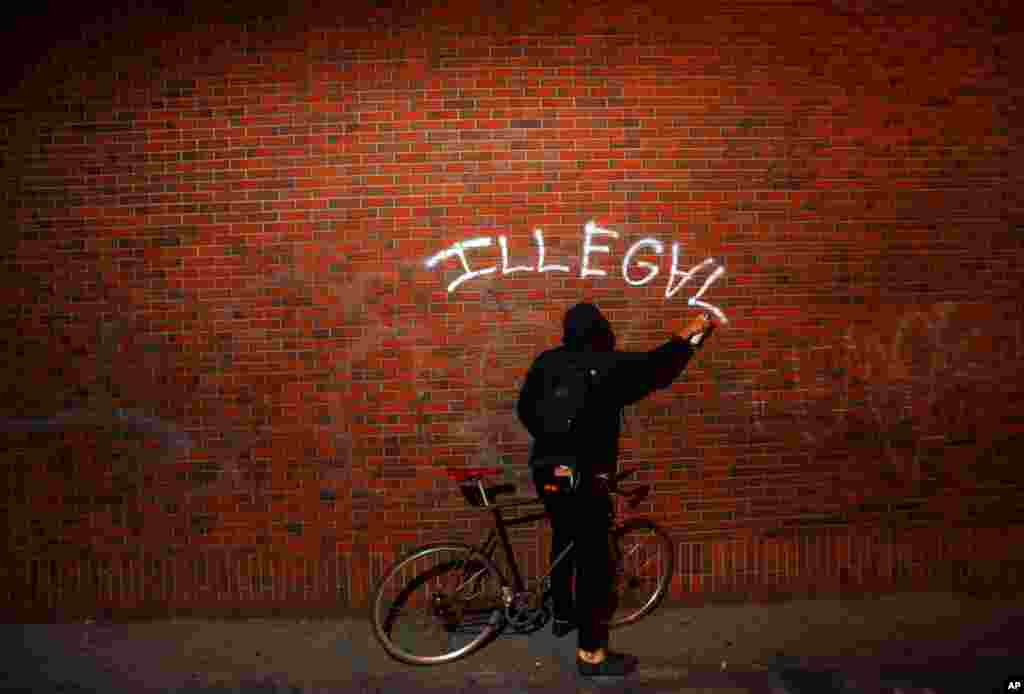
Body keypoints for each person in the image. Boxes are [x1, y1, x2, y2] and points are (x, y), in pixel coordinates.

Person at [516, 302, 715, 677]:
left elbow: (524, 408)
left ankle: (562, 614)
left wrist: (552, 439)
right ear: (600, 331)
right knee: (595, 563)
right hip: (584, 473)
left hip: (546, 469)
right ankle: (592, 653)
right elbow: (660, 367)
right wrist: (693, 333)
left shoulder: (546, 362)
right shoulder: (606, 364)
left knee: (564, 534)